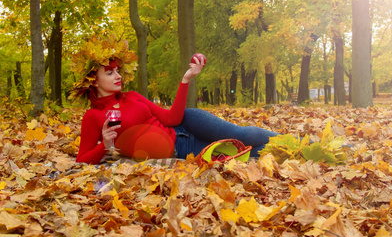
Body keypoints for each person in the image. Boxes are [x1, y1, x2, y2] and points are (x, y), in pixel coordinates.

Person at [72, 34, 278, 165]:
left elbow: (172, 118)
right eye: (109, 73)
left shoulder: (132, 96)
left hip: (188, 123)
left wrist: (185, 80)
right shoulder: (93, 117)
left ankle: (294, 142)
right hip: (183, 149)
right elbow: (82, 159)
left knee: (243, 134)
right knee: (242, 155)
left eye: (117, 71)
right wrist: (105, 145)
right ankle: (291, 151)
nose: (118, 76)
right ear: (94, 82)